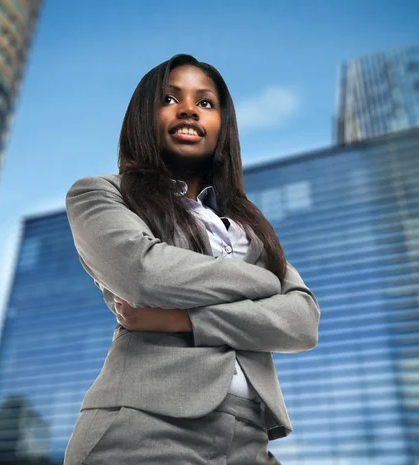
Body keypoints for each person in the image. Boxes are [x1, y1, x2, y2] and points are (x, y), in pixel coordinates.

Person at [63, 54, 320, 465]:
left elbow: (302, 321)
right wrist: (264, 284)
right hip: (144, 428)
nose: (188, 109)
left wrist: (186, 320)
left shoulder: (248, 225)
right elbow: (144, 273)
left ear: (223, 126)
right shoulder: (100, 194)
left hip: (250, 438)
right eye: (169, 98)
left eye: (205, 103)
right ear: (143, 118)